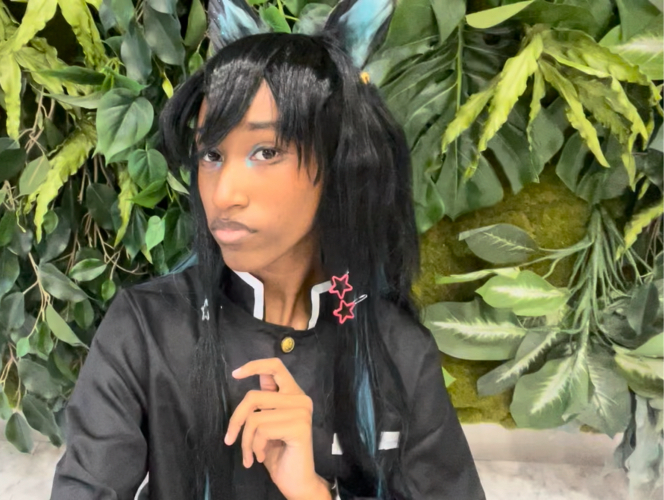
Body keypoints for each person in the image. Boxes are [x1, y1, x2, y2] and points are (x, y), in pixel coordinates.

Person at [51, 0, 485, 498]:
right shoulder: (146, 330)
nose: (224, 194)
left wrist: (312, 491)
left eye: (266, 151)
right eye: (211, 155)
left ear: (342, 162)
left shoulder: (397, 350)